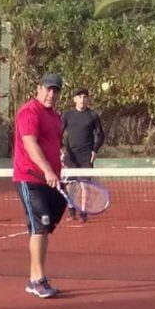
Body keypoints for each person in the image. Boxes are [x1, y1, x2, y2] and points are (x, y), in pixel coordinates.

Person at [12, 73, 67, 299]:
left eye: (55, 90)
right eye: (47, 89)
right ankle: (37, 280)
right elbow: (30, 143)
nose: (51, 94)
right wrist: (46, 169)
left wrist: (57, 167)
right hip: (30, 178)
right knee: (39, 227)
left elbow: (53, 145)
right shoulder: (29, 112)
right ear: (38, 89)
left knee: (44, 229)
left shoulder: (56, 117)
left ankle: (36, 278)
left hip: (50, 180)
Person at [61, 88, 104, 223]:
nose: (82, 99)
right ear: (74, 99)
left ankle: (83, 213)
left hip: (86, 157)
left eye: (85, 97)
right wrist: (60, 150)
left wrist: (94, 150)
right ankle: (72, 210)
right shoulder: (67, 115)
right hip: (70, 156)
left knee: (85, 186)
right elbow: (57, 133)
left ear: (88, 100)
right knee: (69, 185)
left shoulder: (93, 115)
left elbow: (100, 135)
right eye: (79, 97)